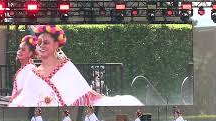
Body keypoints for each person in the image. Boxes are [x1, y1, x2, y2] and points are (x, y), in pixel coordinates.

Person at [9, 24, 143, 107]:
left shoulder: (66, 67)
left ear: (56, 45)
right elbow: (26, 100)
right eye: (39, 43)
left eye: (46, 42)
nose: (42, 46)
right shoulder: (33, 73)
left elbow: (83, 95)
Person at [10, 35, 37, 101]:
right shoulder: (22, 68)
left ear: (30, 53)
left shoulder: (31, 69)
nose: (20, 51)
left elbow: (27, 88)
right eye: (19, 49)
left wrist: (13, 98)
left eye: (23, 50)